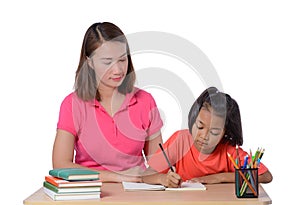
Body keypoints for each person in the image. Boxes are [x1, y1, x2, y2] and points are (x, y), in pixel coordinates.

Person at [52, 22, 163, 182]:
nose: (118, 70)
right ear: (89, 62)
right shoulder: (72, 105)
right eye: (107, 62)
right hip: (89, 192)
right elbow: (60, 165)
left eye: (122, 60)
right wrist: (119, 177)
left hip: (137, 191)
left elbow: (157, 163)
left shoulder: (145, 101)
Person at [142, 87, 273, 187]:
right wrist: (163, 179)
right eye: (200, 127)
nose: (204, 136)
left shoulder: (229, 151)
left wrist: (218, 178)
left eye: (214, 132)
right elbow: (146, 175)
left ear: (224, 133)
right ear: (193, 120)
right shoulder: (180, 140)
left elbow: (265, 176)